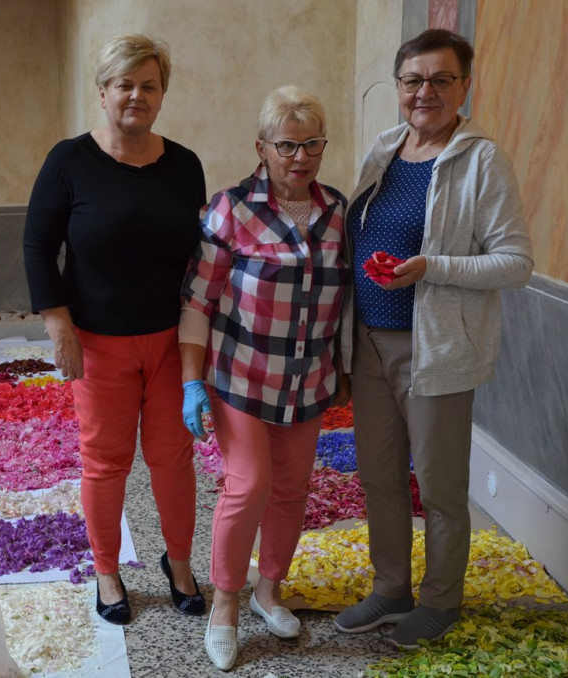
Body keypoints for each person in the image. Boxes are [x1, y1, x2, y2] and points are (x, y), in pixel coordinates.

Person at [333, 29, 533, 649]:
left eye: (441, 80)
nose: (426, 92)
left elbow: (515, 263)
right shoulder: (386, 148)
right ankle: (390, 588)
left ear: (464, 87)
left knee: (440, 488)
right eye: (413, 80)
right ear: (398, 87)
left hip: (434, 348)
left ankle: (441, 600)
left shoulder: (482, 160)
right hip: (369, 342)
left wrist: (432, 266)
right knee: (379, 477)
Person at [23, 33, 207, 625]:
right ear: (103, 93)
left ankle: (179, 563)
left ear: (162, 94)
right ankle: (107, 570)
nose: (136, 95)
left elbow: (198, 258)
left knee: (173, 459)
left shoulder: (184, 165)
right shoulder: (69, 161)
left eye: (149, 85)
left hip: (172, 343)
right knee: (105, 462)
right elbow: (37, 247)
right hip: (98, 344)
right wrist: (60, 328)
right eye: (124, 84)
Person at [180, 85, 350, 670]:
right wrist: (192, 381)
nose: (300, 157)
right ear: (262, 148)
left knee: (292, 490)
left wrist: (344, 370)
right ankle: (225, 604)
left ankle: (268, 590)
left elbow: (344, 300)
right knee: (248, 484)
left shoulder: (336, 211)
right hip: (242, 376)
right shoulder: (231, 209)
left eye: (312, 144)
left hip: (307, 381)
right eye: (287, 146)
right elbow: (198, 301)